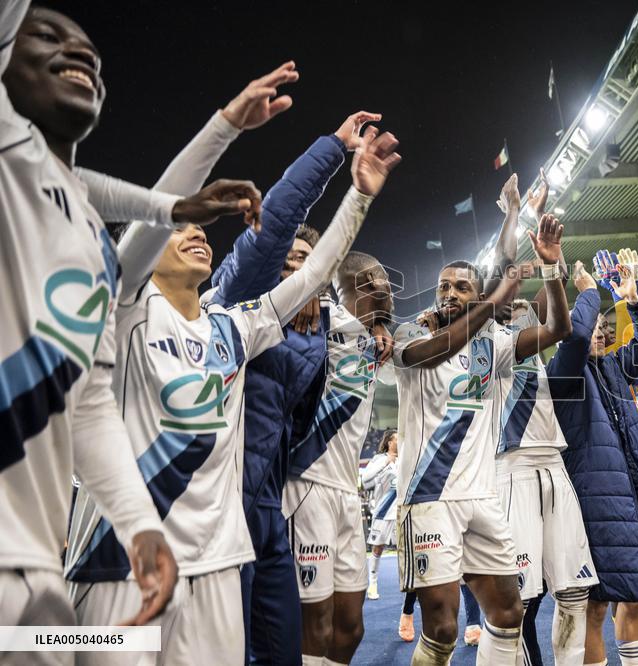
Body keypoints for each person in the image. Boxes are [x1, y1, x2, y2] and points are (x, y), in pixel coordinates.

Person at [65, 122, 401, 665]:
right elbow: (183, 223)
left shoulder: (234, 326)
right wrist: (225, 128)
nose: (198, 232)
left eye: (201, 227)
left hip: (222, 552)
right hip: (122, 557)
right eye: (181, 228)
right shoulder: (123, 310)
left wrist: (360, 192)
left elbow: (317, 269)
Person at [0, 2, 260, 654]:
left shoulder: (88, 243)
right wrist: (216, 137)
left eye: (91, 47)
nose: (79, 50)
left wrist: (140, 522)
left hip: (35, 561)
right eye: (46, 33)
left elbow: (88, 405)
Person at [209, 106, 390, 665]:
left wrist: (379, 322)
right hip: (212, 498)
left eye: (303, 263)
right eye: (285, 260)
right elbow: (276, 227)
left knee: (283, 649)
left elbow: (341, 284)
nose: (295, 270)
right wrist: (331, 153)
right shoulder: (238, 305)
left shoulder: (316, 334)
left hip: (265, 500)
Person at [391, 212, 570, 666]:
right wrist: (494, 301)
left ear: (476, 293)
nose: (449, 293)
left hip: (483, 497)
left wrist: (550, 271)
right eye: (443, 287)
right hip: (430, 499)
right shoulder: (414, 332)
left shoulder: (496, 340)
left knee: (508, 613)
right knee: (445, 628)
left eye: (460, 287)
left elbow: (556, 331)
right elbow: (439, 349)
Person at [488, 173, 597, 665]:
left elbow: (562, 322)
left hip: (555, 468)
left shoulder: (532, 336)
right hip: (510, 473)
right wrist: (513, 215)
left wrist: (552, 266)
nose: (515, 306)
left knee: (573, 592)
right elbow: (501, 273)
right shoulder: (485, 340)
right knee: (518, 602)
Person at [547, 259, 638, 666]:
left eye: (604, 326)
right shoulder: (562, 373)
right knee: (596, 607)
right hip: (594, 506)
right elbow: (577, 335)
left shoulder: (613, 368)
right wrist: (587, 290)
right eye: (594, 326)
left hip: (634, 500)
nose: (600, 331)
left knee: (636, 595)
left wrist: (634, 300)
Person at [283, 244, 397, 666]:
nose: (391, 290)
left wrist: (382, 325)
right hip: (306, 483)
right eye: (384, 280)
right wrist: (306, 290)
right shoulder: (317, 314)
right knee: (314, 624)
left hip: (347, 492)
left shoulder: (375, 338)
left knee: (351, 626)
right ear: (366, 283)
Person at [364, 429, 399, 600]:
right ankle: (373, 584)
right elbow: (365, 480)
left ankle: (409, 584)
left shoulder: (404, 459)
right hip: (383, 511)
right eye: (398, 439)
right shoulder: (379, 459)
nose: (401, 442)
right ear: (389, 442)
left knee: (406, 549)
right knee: (378, 548)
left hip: (401, 511)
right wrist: (386, 461)